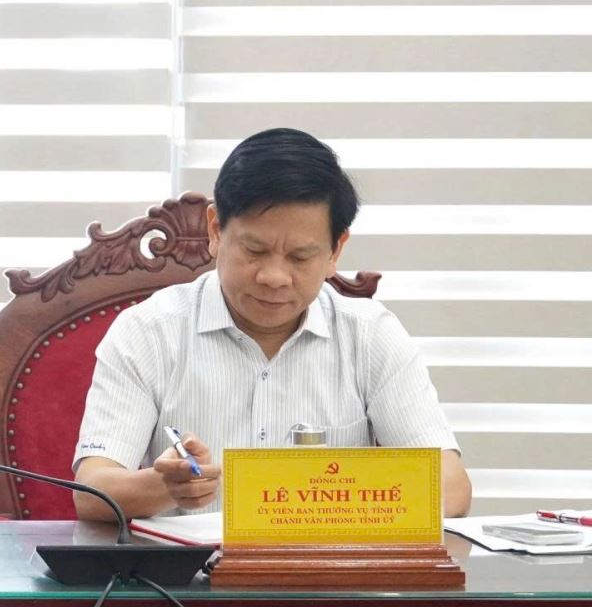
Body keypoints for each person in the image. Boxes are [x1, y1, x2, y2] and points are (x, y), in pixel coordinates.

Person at [72, 127, 471, 520]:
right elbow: (92, 493)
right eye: (255, 250)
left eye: (300, 257)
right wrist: (166, 487)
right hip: (188, 565)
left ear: (335, 250)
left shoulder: (371, 336)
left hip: (327, 564)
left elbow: (451, 489)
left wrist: (328, 498)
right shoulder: (147, 331)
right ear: (215, 230)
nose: (274, 277)